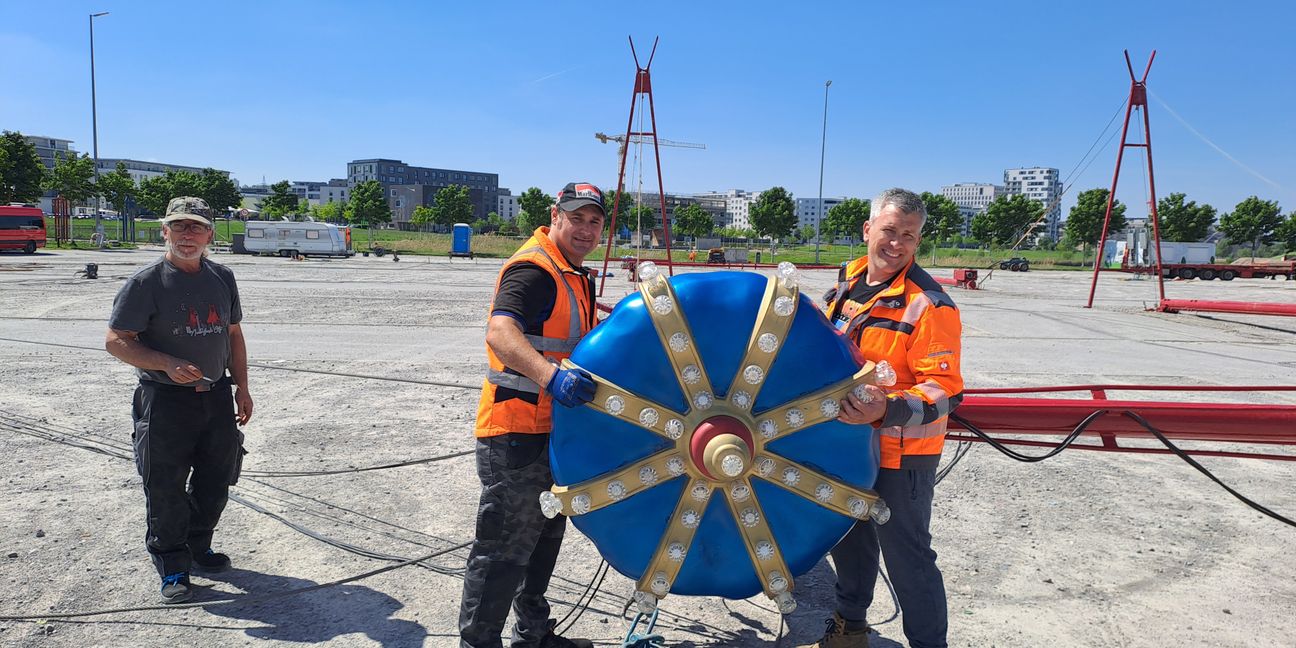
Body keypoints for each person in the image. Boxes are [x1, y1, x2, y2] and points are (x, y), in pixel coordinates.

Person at [459, 182, 606, 648]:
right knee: (502, 550)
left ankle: (533, 634)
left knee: (543, 540)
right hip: (516, 435)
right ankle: (478, 643)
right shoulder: (535, 270)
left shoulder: (574, 273)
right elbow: (501, 332)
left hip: (553, 433)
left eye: (594, 221)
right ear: (555, 215)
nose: (585, 229)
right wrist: (552, 377)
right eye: (576, 217)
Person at [817, 188, 964, 648]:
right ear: (868, 230)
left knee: (908, 557)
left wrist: (888, 408)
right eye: (889, 230)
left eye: (909, 235)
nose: (896, 243)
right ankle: (849, 627)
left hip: (903, 454)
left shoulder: (930, 304)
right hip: (850, 445)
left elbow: (946, 392)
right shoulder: (844, 287)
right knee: (849, 540)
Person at [105, 196, 253, 604]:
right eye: (179, 227)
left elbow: (233, 335)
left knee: (216, 479)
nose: (188, 236)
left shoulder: (222, 277)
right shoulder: (146, 283)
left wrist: (242, 386)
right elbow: (116, 341)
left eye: (197, 227)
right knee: (165, 484)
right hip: (166, 400)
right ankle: (173, 565)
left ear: (210, 233)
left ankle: (197, 544)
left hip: (216, 396)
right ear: (165, 231)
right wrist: (165, 362)